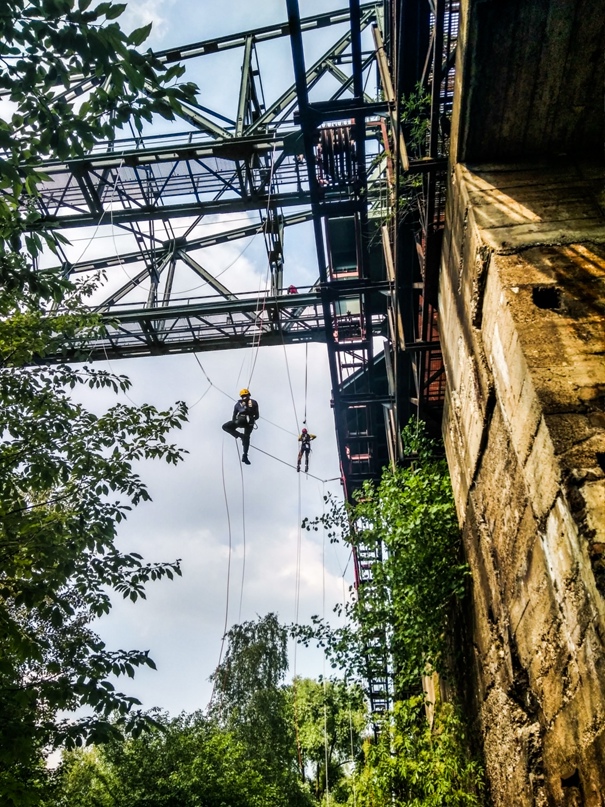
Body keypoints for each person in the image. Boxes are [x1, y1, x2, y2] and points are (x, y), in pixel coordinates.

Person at [222, 388, 259, 465]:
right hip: (250, 422)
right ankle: (245, 455)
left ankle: (240, 436)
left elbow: (234, 416)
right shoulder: (254, 402)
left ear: (241, 396)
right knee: (247, 437)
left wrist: (235, 423)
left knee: (225, 427)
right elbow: (257, 416)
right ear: (249, 394)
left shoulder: (237, 404)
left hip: (241, 420)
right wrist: (252, 419)